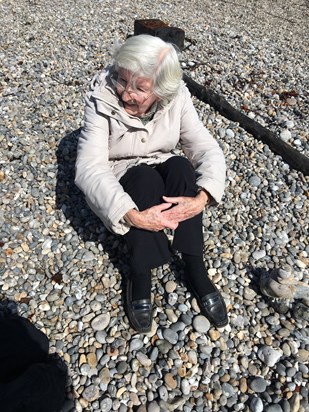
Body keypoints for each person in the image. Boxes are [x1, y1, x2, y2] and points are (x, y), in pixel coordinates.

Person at [75, 34, 228, 333]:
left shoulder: (177, 96)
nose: (125, 93)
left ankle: (195, 266)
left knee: (183, 168)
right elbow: (89, 166)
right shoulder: (101, 98)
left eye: (139, 88)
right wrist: (131, 215)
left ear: (161, 90)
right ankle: (140, 271)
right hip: (119, 169)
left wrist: (202, 198)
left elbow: (206, 148)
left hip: (161, 159)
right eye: (122, 80)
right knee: (143, 180)